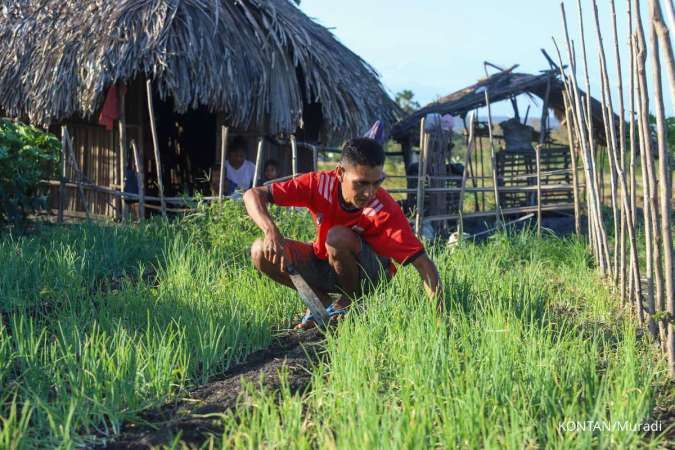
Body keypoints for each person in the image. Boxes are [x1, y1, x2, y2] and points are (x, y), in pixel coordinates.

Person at [244, 137, 442, 330]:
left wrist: (440, 323)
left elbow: (424, 265)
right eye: (361, 183)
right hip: (327, 263)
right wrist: (271, 230)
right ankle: (320, 299)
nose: (369, 193)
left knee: (337, 237)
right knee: (259, 250)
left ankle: (350, 302)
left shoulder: (384, 208)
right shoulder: (318, 184)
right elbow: (253, 194)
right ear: (339, 173)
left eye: (377, 183)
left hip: (370, 276)